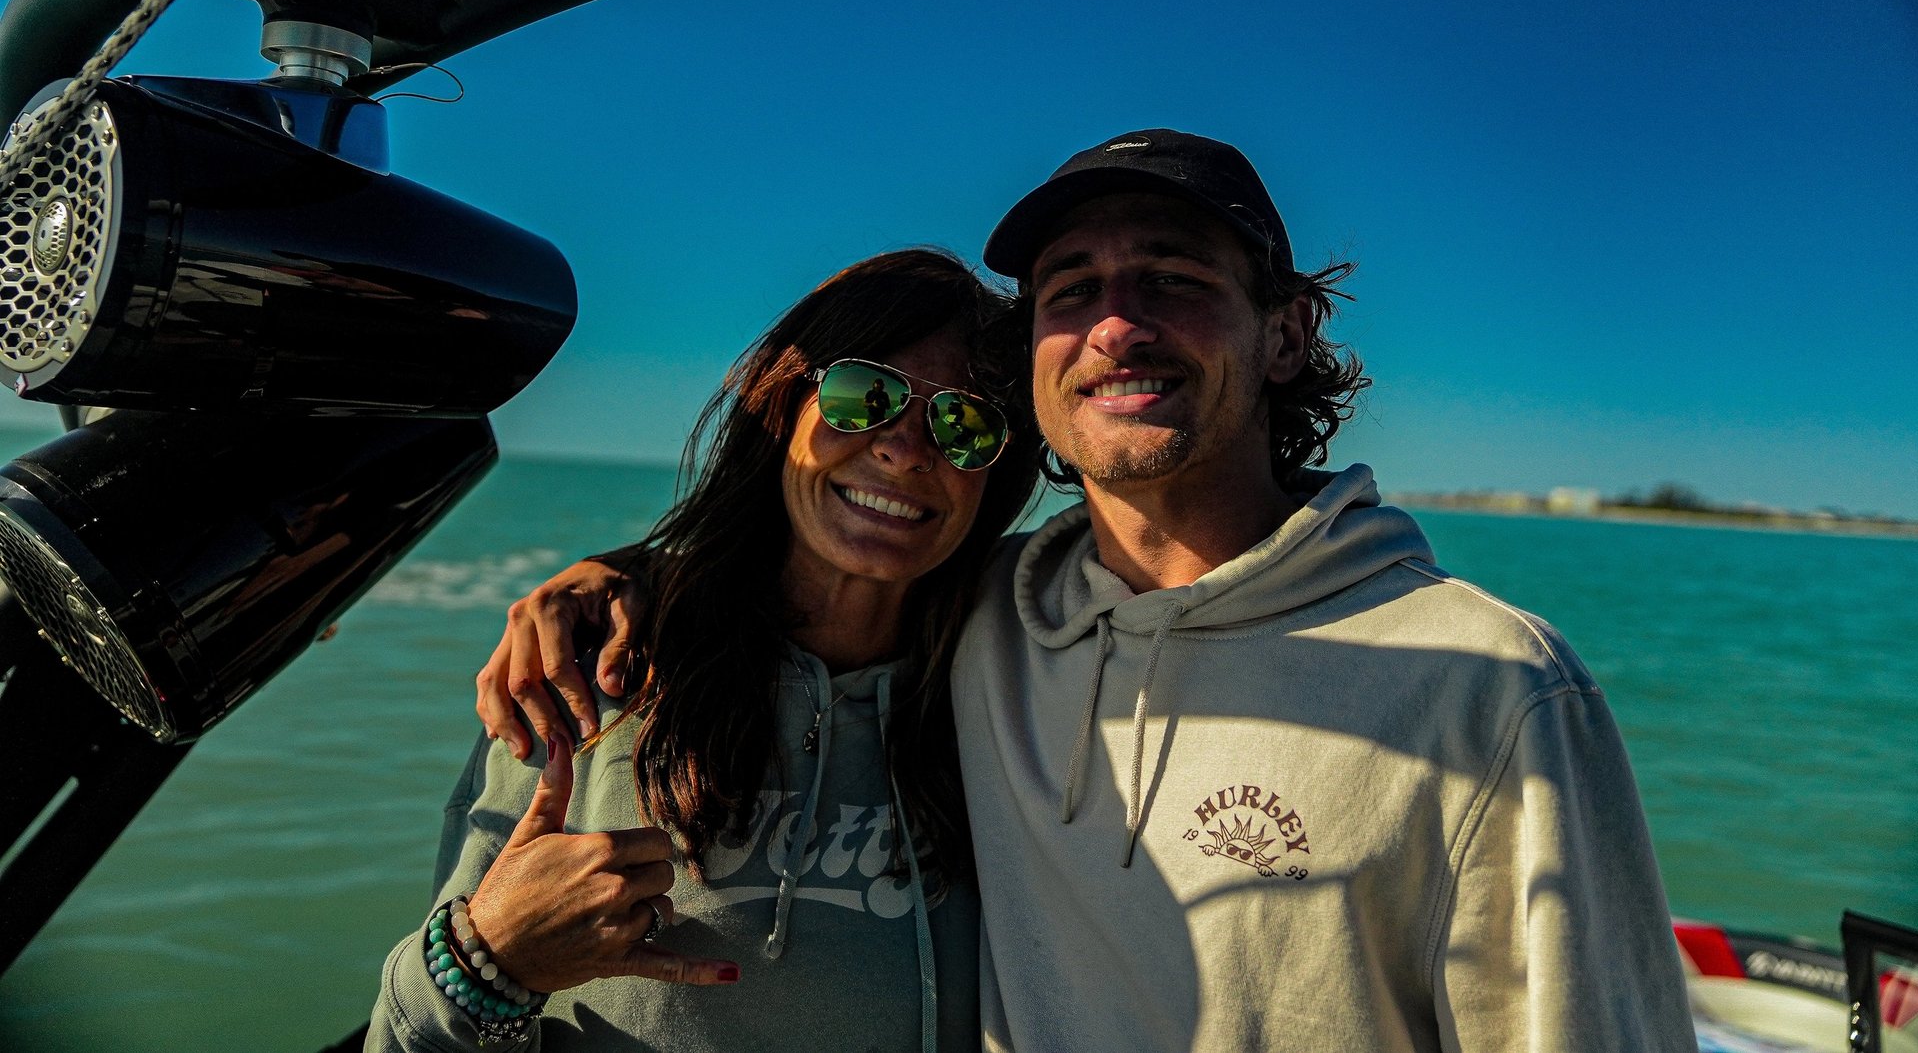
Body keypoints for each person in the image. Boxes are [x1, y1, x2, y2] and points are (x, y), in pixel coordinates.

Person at [483, 131, 1696, 1052]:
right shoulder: (997, 614)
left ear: (1282, 335)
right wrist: (625, 578)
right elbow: (821, 553)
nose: (1117, 323)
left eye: (1172, 278)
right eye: (1072, 290)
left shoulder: (1493, 687)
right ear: (1040, 366)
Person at [367, 248, 1038, 1053]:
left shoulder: (1016, 689)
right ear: (784, 403)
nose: (904, 448)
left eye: (964, 423)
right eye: (864, 395)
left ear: (994, 471)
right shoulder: (595, 671)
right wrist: (492, 961)